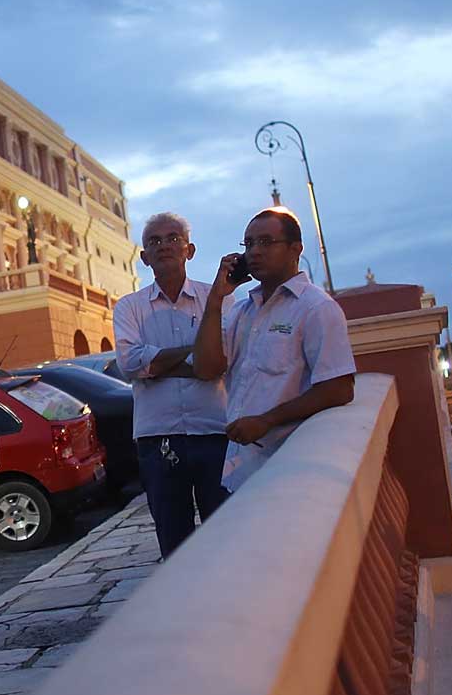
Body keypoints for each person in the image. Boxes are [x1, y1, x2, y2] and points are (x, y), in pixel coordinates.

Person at [194, 207, 356, 492]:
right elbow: (206, 368)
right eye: (249, 244)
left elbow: (339, 388)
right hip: (240, 471)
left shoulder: (316, 308)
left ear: (296, 249)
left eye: (266, 242)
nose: (254, 252)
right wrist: (216, 299)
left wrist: (267, 421)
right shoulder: (243, 312)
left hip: (291, 468)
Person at [113, 212, 229, 557]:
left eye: (173, 238)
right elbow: (130, 363)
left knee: (225, 534)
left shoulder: (218, 299)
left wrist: (158, 364)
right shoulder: (129, 307)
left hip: (215, 432)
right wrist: (198, 354)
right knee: (173, 540)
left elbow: (223, 359)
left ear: (189, 250)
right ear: (144, 257)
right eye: (154, 241)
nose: (164, 245)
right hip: (157, 437)